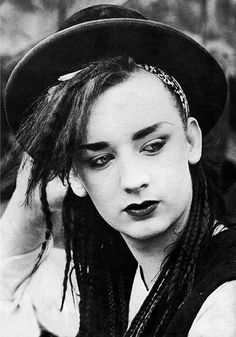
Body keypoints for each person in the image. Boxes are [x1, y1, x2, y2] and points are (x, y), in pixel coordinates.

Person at [0, 4, 236, 337]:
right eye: (100, 159)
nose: (133, 180)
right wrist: (29, 204)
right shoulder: (107, 281)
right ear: (75, 177)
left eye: (153, 146)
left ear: (191, 141)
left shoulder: (227, 301)